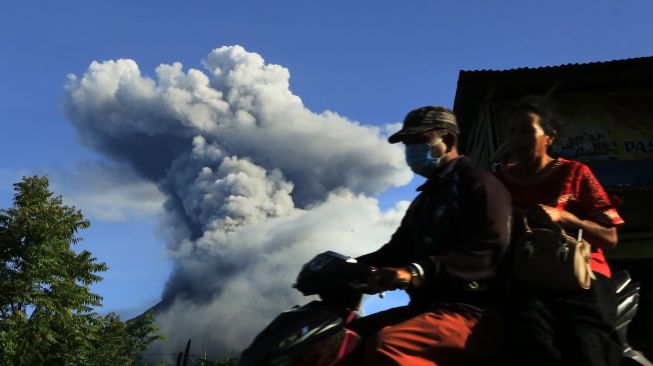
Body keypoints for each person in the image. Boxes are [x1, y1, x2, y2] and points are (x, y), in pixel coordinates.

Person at [350, 106, 512, 365]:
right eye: (407, 144)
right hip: (426, 309)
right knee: (344, 340)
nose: (410, 151)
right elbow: (396, 250)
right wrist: (346, 267)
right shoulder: (425, 198)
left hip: (472, 313)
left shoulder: (478, 184)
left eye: (418, 141)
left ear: (447, 140)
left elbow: (486, 251)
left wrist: (414, 272)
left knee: (388, 349)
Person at [495, 98, 624, 366]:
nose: (517, 138)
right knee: (528, 342)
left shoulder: (575, 173)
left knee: (587, 345)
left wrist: (566, 217)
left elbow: (609, 238)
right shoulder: (498, 181)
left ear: (549, 137)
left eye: (527, 131)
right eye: (512, 131)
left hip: (582, 278)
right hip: (527, 281)